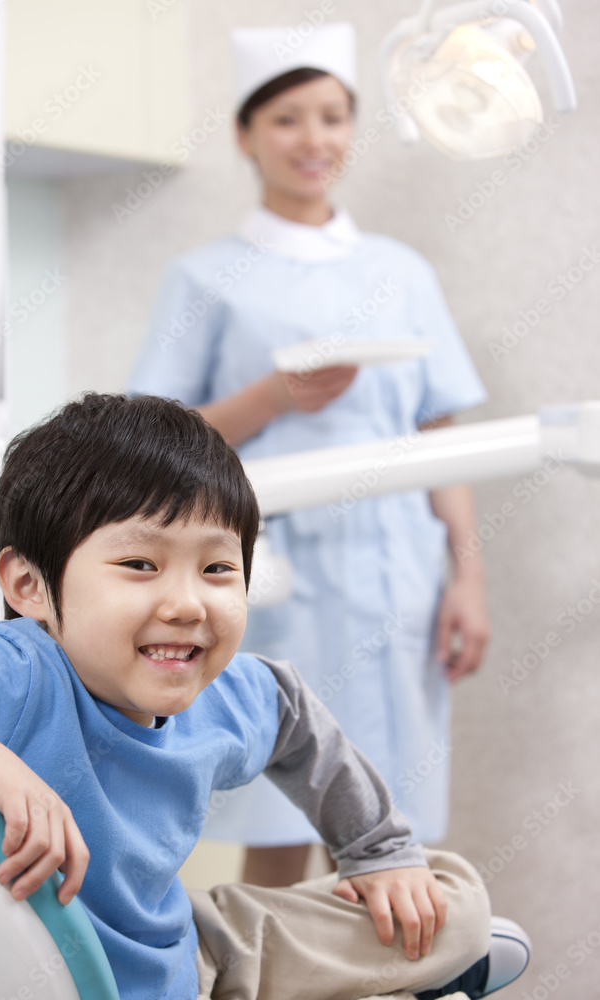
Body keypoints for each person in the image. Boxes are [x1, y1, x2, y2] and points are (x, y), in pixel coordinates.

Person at [0, 393, 529, 1000]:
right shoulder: (9, 673)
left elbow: (293, 716)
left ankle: (420, 957)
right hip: (40, 975)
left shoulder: (218, 694)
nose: (188, 604)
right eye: (141, 563)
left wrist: (378, 850)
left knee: (449, 898)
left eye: (217, 568)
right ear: (30, 585)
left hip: (189, 958)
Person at [127, 22, 491, 885]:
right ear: (245, 134)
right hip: (271, 574)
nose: (314, 139)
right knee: (275, 806)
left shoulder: (399, 271)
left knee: (386, 829)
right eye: (288, 118)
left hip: (396, 577)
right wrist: (272, 397)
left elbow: (438, 432)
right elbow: (155, 438)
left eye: (332, 117)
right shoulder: (205, 276)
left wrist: (467, 578)